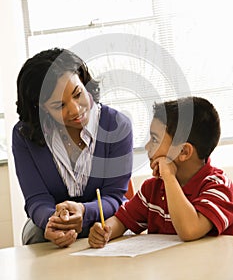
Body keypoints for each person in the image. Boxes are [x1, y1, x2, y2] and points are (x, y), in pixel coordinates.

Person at [12, 47, 133, 248]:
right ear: (41, 107)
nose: (76, 110)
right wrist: (53, 220)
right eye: (59, 106)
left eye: (78, 94)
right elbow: (36, 199)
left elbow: (115, 196)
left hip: (103, 219)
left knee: (118, 228)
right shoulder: (24, 135)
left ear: (84, 82)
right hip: (51, 225)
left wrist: (84, 211)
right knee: (36, 235)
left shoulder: (117, 125)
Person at [88, 96, 233, 248]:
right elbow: (122, 220)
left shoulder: (218, 187)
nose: (147, 146)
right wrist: (106, 231)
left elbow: (189, 230)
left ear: (183, 151)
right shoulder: (152, 189)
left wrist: (169, 177)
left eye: (155, 139)